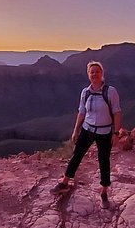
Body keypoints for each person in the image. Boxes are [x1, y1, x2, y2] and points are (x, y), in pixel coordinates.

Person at [51, 61, 121, 209]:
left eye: (97, 71)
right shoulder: (85, 92)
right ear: (88, 74)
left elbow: (117, 112)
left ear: (102, 73)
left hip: (104, 131)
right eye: (92, 72)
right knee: (77, 155)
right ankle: (64, 182)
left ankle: (104, 191)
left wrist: (116, 133)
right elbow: (82, 112)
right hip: (87, 129)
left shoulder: (110, 91)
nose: (94, 74)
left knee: (103, 160)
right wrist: (76, 130)